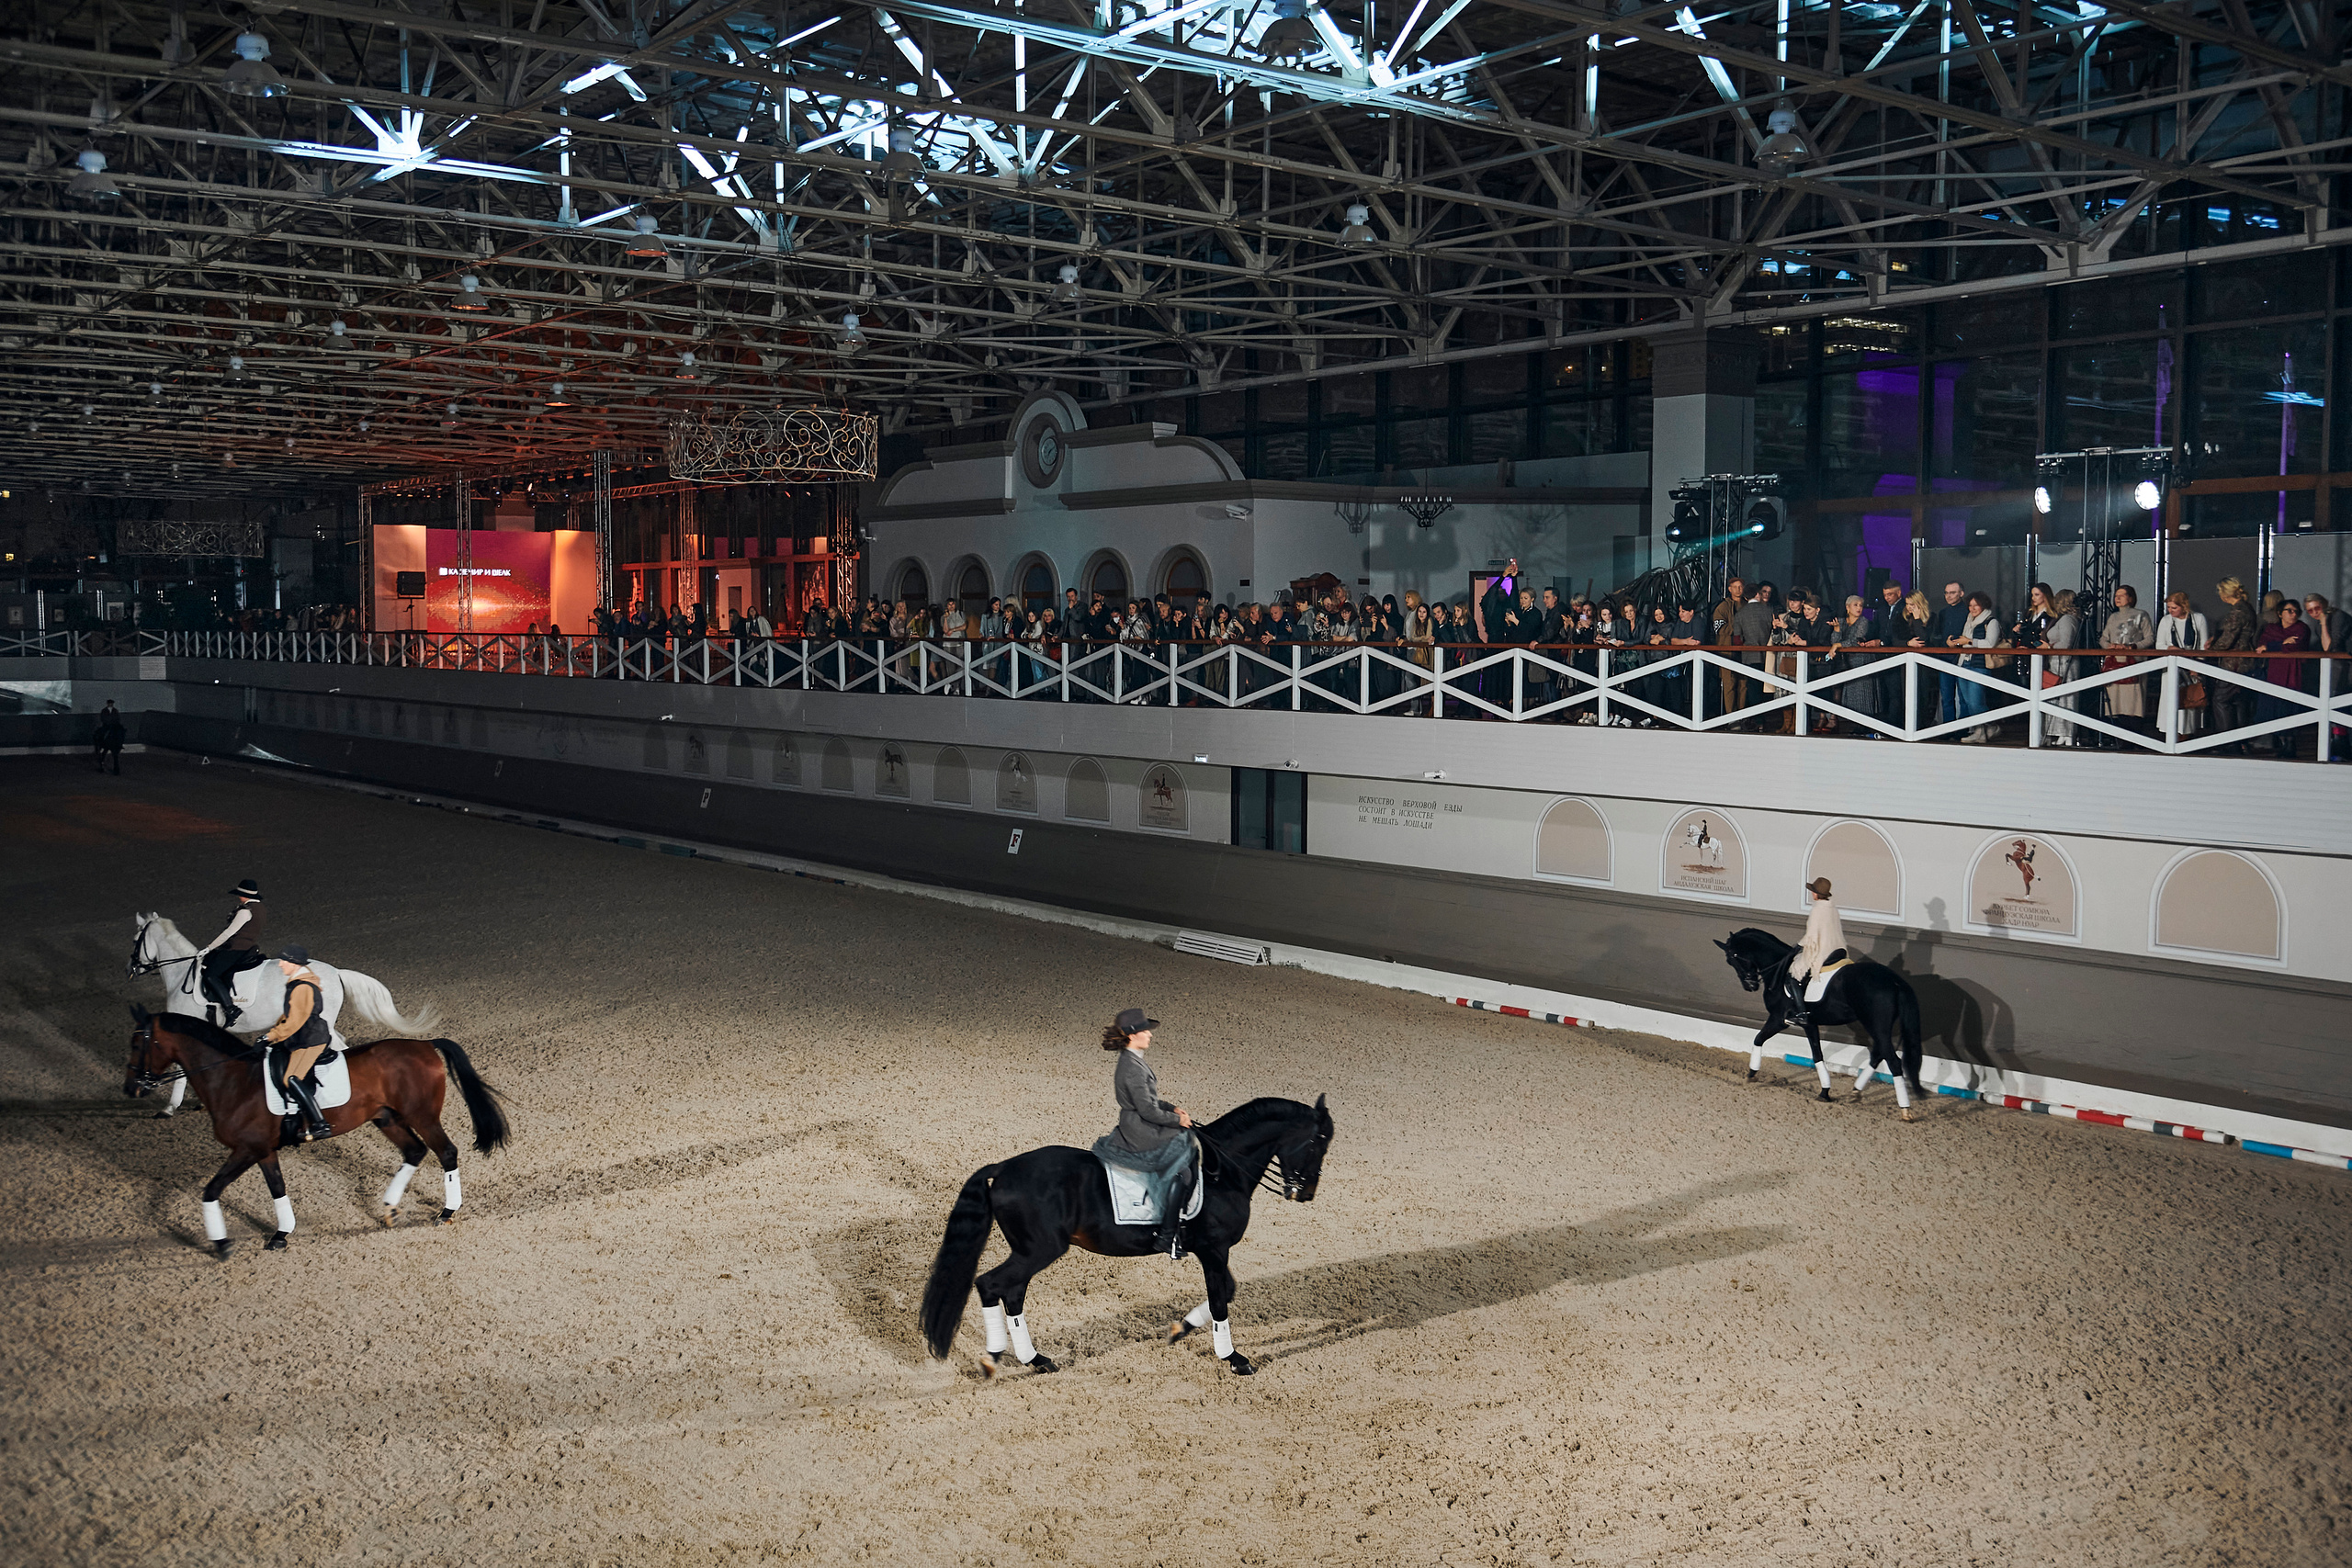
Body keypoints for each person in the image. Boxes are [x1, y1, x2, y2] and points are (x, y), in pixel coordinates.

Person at [1091, 1008, 1194, 1260]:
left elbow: (1148, 1100)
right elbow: (1147, 1110)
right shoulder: (1132, 1066)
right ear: (1132, 1035)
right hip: (1140, 1129)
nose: (1150, 1034)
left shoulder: (1134, 1059)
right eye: (1145, 1030)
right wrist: (1177, 1120)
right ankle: (1167, 1236)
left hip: (1140, 1120)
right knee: (1182, 1169)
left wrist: (1171, 1108)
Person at [262, 944, 334, 1143]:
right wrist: (273, 1032)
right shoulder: (298, 983)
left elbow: (295, 1021)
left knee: (291, 1078)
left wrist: (271, 1037)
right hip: (302, 1036)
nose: (280, 965)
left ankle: (320, 1124)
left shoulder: (302, 987)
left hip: (310, 1038)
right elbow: (289, 1016)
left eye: (284, 961)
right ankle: (291, 1114)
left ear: (294, 963)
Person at [198, 878, 268, 1026]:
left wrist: (209, 947)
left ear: (245, 895)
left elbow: (228, 933)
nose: (239, 897)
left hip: (236, 949)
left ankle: (230, 1009)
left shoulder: (245, 911)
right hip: (250, 947)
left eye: (240, 895)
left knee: (210, 975)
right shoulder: (260, 908)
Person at [1783, 877, 1848, 1026]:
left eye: (1813, 891)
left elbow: (1811, 936)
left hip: (1822, 950)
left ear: (1816, 894)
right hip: (1837, 949)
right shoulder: (1833, 909)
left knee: (1792, 975)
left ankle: (1801, 1014)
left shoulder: (1817, 910)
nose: (1812, 893)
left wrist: (1798, 946)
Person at [2256, 600, 2312, 758]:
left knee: (2289, 705)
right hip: (2274, 672)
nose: (2293, 614)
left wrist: (2273, 646)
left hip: (2293, 672)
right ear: (2280, 614)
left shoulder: (2301, 628)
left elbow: (2295, 646)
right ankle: (2278, 741)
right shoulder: (2272, 628)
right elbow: (2261, 645)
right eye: (2289, 611)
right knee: (2274, 705)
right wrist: (2281, 643)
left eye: (2296, 611)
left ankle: (2290, 743)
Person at [2099, 585, 2155, 739]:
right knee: (2116, 700)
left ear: (2130, 598)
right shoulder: (2113, 617)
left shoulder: (2141, 615)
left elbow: (2150, 638)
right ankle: (2119, 737)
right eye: (2116, 595)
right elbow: (2103, 638)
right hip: (2114, 662)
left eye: (2122, 595)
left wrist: (2133, 647)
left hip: (2133, 662)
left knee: (2133, 701)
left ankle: (2135, 737)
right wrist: (2109, 646)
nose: (2117, 598)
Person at [2154, 591, 2211, 738]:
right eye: (2169, 608)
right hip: (2171, 668)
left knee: (2190, 699)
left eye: (2174, 608)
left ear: (2183, 606)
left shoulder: (2198, 619)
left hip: (2192, 665)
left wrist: (2197, 667)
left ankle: (2187, 734)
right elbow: (2159, 644)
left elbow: (2202, 647)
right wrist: (2170, 648)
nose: (2170, 611)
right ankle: (2172, 735)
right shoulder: (2166, 621)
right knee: (2171, 699)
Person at [1955, 592, 2002, 743]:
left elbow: (1990, 644)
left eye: (1976, 605)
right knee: (1969, 702)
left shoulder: (1991, 621)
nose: (1972, 608)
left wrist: (1969, 641)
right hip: (1964, 663)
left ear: (1984, 605)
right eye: (1970, 605)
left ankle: (1991, 726)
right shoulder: (1968, 620)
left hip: (1980, 664)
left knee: (1976, 702)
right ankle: (1979, 731)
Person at [2045, 589, 2084, 747]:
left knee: (2067, 697)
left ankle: (2068, 733)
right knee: (2058, 698)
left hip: (2066, 662)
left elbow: (2066, 643)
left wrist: (2048, 646)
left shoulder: (2068, 619)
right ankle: (2060, 732)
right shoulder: (2061, 619)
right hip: (2056, 661)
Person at [93, 699, 126, 774]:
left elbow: (118, 718)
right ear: (108, 704)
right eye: (110, 703)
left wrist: (115, 723)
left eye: (112, 703)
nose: (111, 704)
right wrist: (108, 723)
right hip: (106, 725)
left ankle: (120, 743)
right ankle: (101, 742)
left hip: (114, 725)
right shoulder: (104, 711)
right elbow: (103, 718)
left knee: (121, 731)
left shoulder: (115, 711)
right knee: (102, 733)